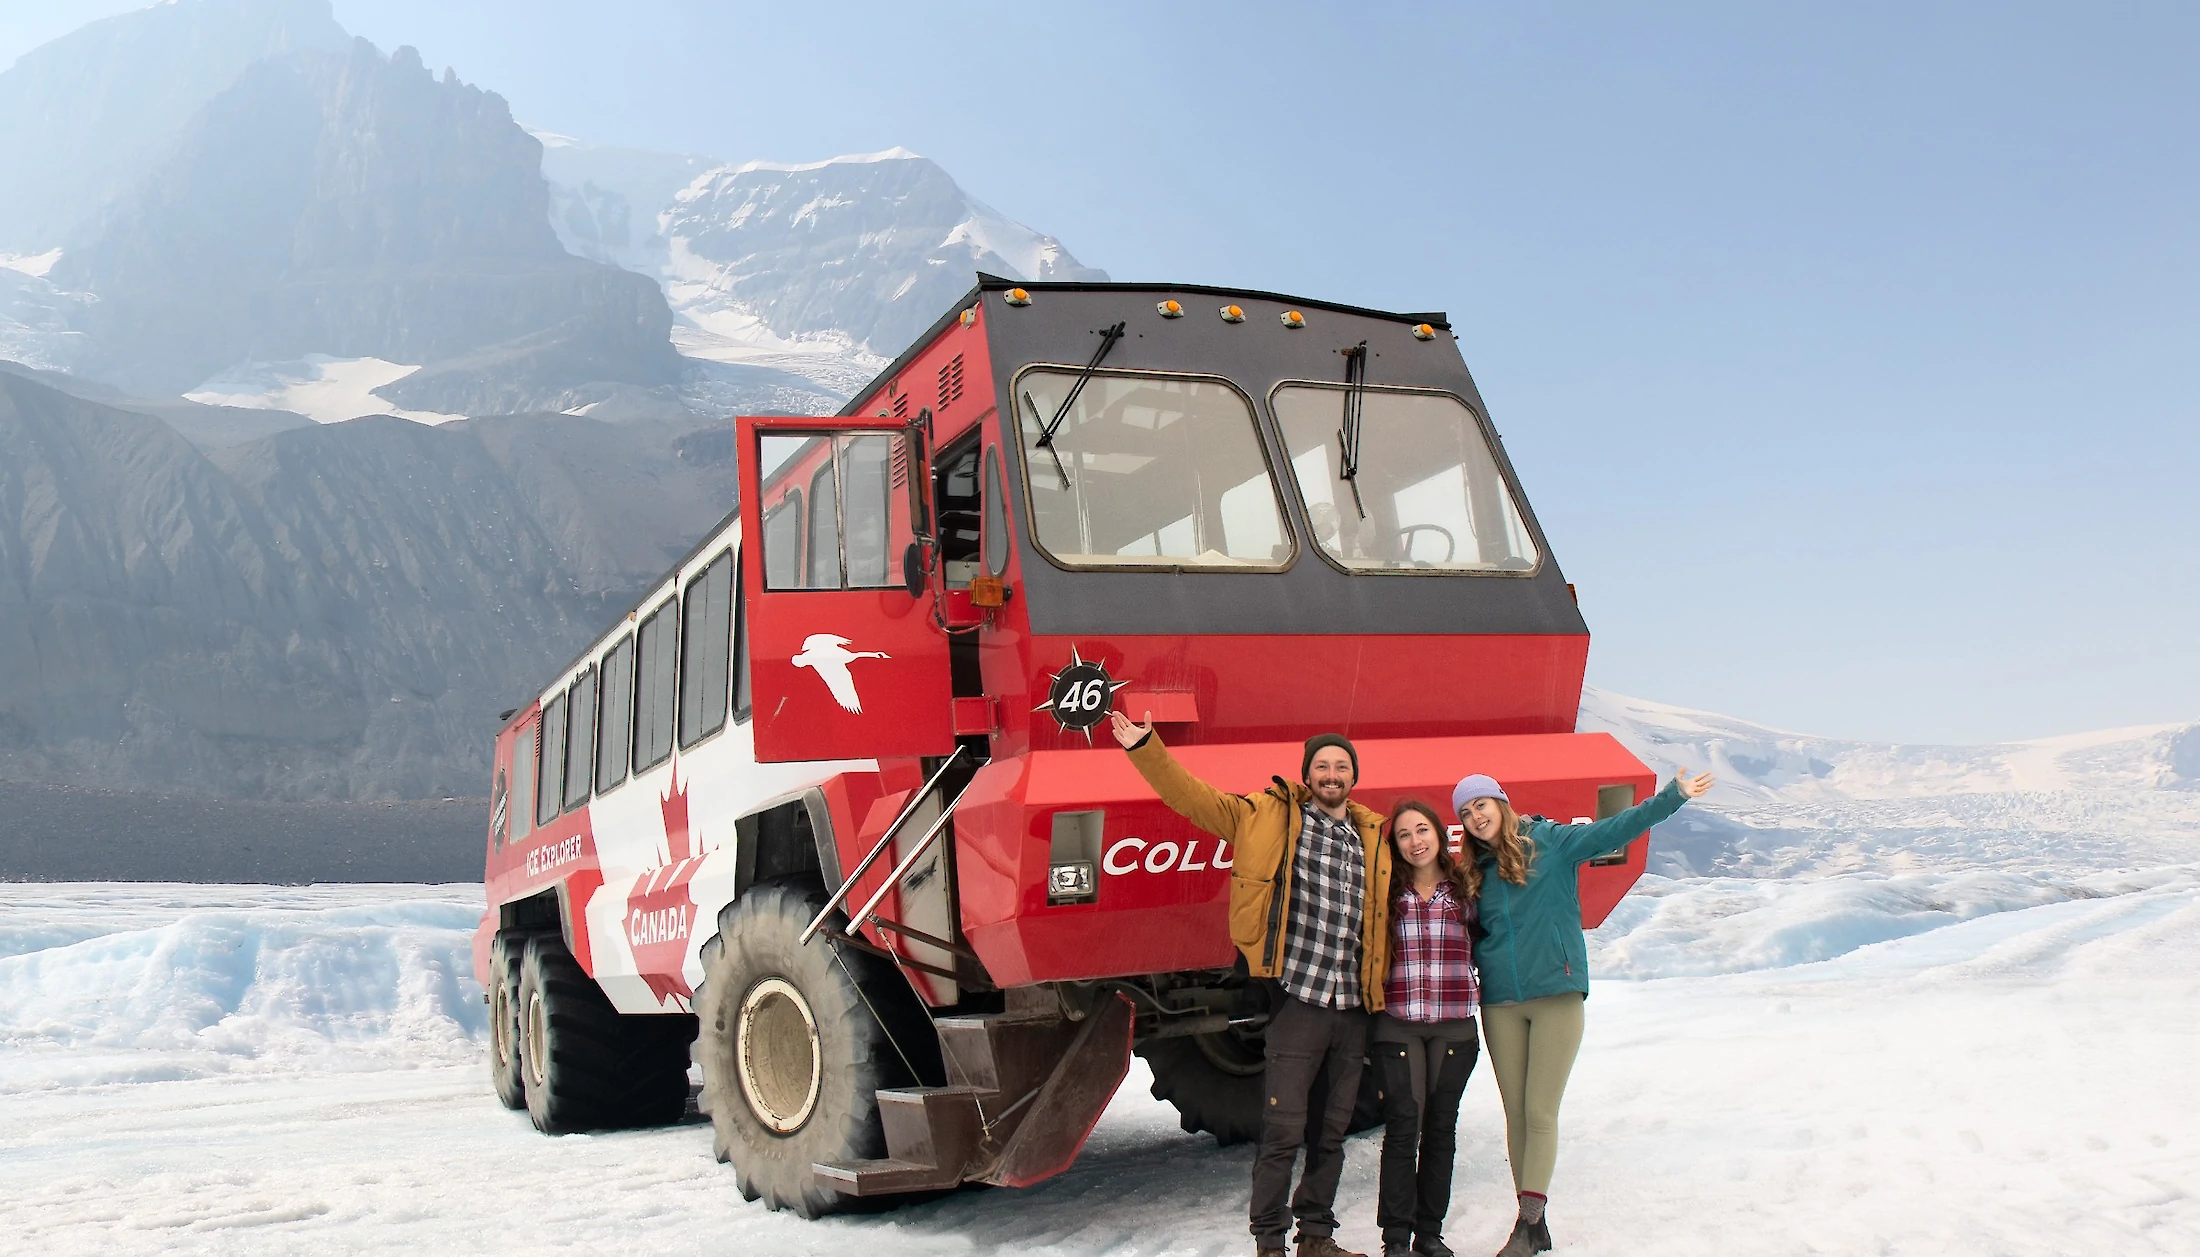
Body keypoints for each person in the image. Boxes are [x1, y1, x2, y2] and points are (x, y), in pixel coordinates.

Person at [1111, 708, 1394, 1257]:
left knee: (1331, 1132)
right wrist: (1146, 746)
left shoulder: (1374, 834)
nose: (1332, 775)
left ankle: (1316, 1237)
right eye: (1322, 766)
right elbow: (1191, 798)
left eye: (1341, 767)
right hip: (1298, 1001)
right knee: (1282, 1130)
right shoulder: (1261, 815)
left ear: (1353, 776)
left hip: (1352, 1005)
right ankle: (1270, 1242)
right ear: (1307, 774)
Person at [1456, 768, 1714, 1256]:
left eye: (1481, 805)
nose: (1475, 817)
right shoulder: (1475, 871)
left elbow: (1616, 830)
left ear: (1501, 803)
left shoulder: (1552, 841)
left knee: (1539, 1109)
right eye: (1466, 813)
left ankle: (1527, 1226)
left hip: (1556, 991)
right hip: (1500, 1001)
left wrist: (1673, 796)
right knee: (1515, 1113)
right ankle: (1533, 1221)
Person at [1372, 800, 1481, 1257]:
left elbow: (1494, 938)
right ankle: (1396, 1238)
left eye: (1422, 830)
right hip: (1397, 1021)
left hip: (1454, 1023)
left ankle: (1429, 1234)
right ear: (1395, 845)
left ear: (1439, 835)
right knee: (1402, 1125)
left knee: (1441, 1127)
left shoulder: (1467, 891)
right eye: (1403, 835)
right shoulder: (1383, 894)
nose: (1415, 841)